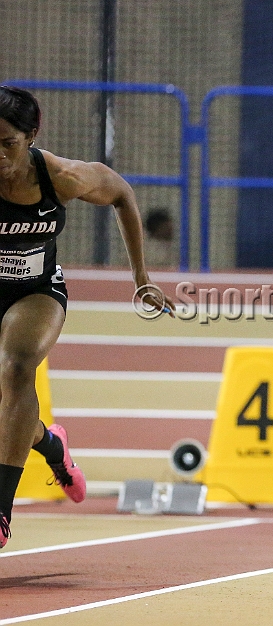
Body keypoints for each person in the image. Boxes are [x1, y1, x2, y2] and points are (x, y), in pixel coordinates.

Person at [0, 86, 174, 547]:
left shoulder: (60, 176)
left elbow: (122, 195)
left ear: (32, 136)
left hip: (34, 291)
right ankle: (51, 445)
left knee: (17, 369)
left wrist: (141, 278)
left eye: (7, 144)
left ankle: (0, 512)